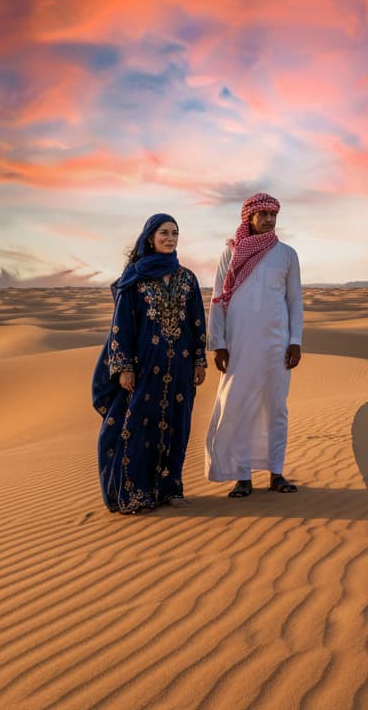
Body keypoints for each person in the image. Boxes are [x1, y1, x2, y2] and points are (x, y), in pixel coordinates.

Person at [91, 213, 207, 514]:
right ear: (150, 238)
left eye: (175, 233)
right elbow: (121, 327)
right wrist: (124, 367)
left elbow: (197, 323)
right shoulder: (135, 278)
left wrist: (198, 361)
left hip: (179, 368)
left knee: (175, 428)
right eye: (164, 233)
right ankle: (135, 493)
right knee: (136, 428)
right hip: (144, 368)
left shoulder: (187, 278)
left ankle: (170, 489)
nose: (170, 238)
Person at [205, 192, 304, 497]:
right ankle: (242, 475)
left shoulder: (287, 254)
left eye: (274, 215)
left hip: (276, 343)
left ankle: (276, 473)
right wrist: (218, 343)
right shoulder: (231, 254)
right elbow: (218, 301)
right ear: (249, 217)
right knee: (239, 406)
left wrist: (295, 341)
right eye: (264, 215)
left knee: (276, 408)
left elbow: (294, 300)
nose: (270, 220)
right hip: (239, 344)